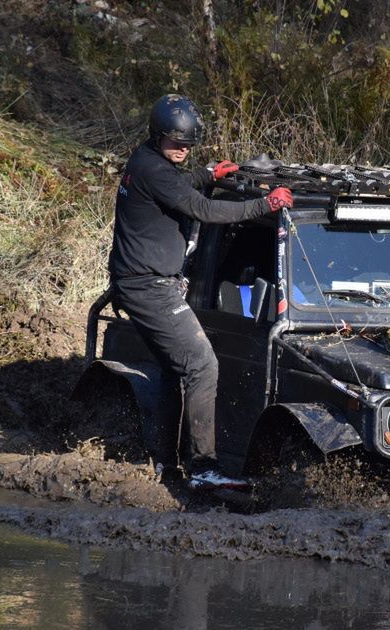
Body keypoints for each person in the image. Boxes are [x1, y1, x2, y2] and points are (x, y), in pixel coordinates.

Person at [109, 94, 292, 490]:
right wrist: (265, 205)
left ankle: (164, 463)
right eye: (176, 143)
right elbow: (205, 212)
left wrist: (207, 175)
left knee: (178, 371)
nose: (182, 150)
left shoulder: (147, 161)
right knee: (202, 366)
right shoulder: (153, 169)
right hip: (149, 288)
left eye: (189, 145)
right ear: (158, 136)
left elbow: (176, 188)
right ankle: (205, 469)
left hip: (140, 282)